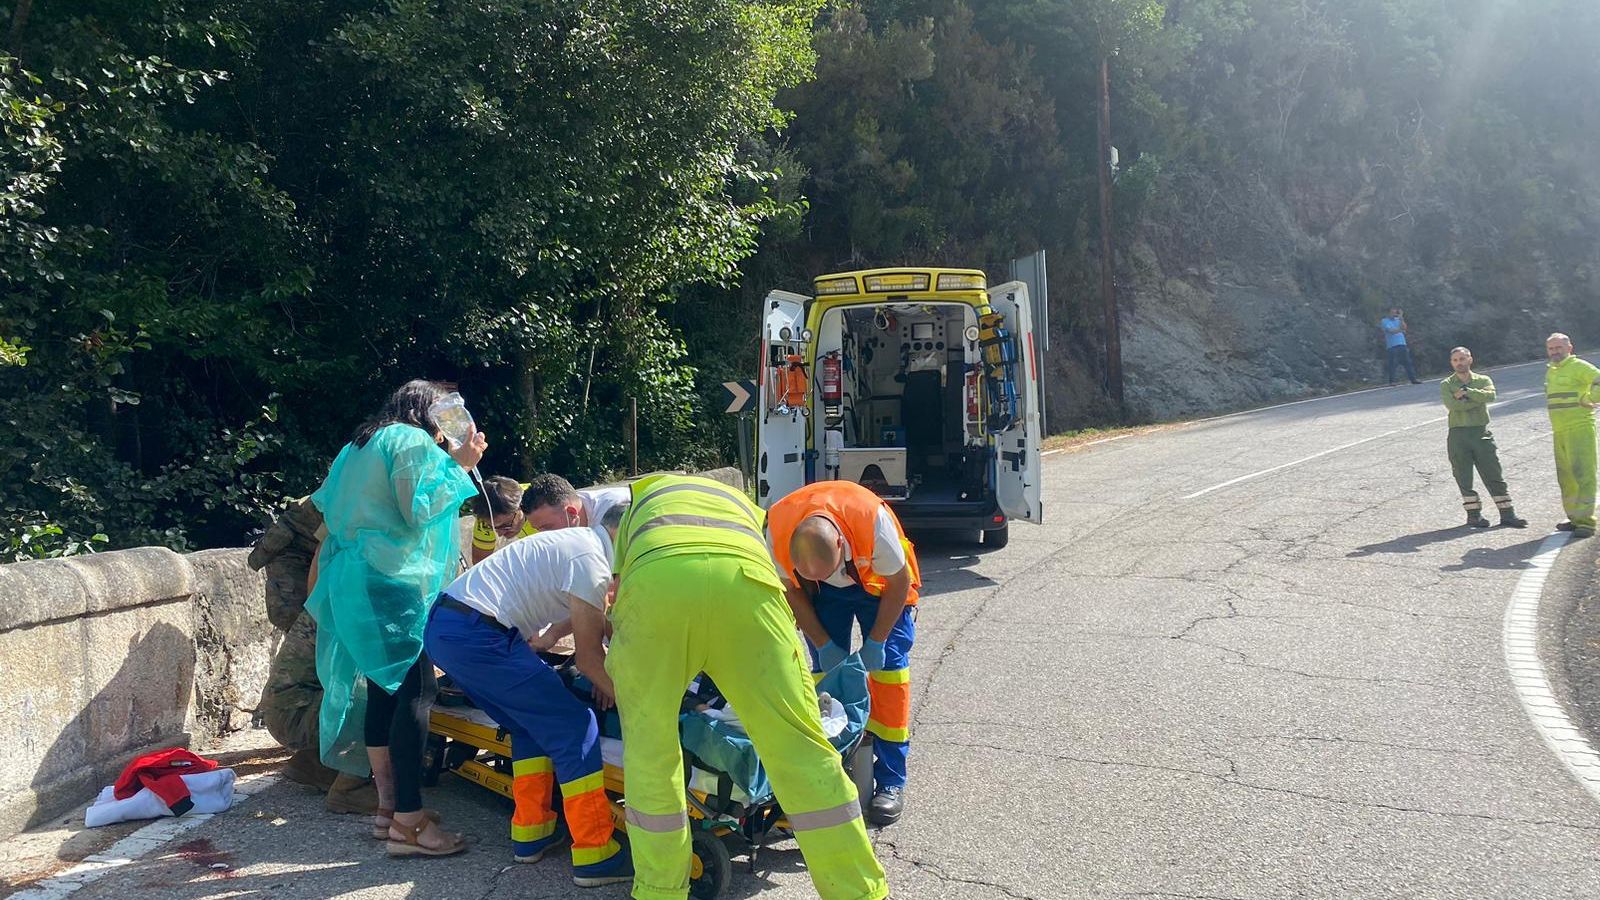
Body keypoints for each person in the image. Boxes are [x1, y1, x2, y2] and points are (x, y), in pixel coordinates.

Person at [606, 474, 888, 900]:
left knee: (651, 754)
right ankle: (858, 892)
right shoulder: (745, 507)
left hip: (658, 588)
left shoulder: (640, 504)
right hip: (747, 589)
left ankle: (660, 891)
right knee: (803, 751)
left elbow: (620, 593)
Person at [305, 379, 486, 857]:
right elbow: (416, 509)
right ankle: (410, 823)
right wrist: (461, 465)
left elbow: (331, 516)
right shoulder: (408, 440)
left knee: (384, 693)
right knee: (417, 692)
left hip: (357, 581)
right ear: (427, 411)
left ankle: (389, 812)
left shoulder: (356, 445)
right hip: (392, 580)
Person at [423, 521, 632, 886]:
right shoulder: (592, 562)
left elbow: (594, 616)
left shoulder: (581, 546)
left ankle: (532, 831)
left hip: (450, 629)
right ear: (622, 535)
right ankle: (595, 852)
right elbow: (588, 659)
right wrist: (633, 702)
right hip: (481, 635)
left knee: (528, 725)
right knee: (576, 725)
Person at [766, 481, 920, 826]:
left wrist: (877, 641)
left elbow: (898, 584)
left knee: (890, 677)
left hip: (880, 588)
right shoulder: (777, 530)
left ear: (839, 544)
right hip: (821, 594)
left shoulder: (872, 521)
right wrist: (822, 642)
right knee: (825, 680)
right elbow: (792, 593)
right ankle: (832, 777)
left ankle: (890, 783)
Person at [249, 498, 381, 815]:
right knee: (384, 692)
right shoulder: (363, 493)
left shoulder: (339, 593)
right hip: (291, 716)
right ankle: (350, 789)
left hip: (287, 709)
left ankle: (314, 763)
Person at [1440, 348, 1528, 529]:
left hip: (1480, 432)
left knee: (1493, 472)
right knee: (1463, 475)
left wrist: (1466, 393)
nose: (1459, 363)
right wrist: (1476, 398)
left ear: (1470, 359)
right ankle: (1473, 515)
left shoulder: (1483, 380)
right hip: (1458, 434)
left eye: (1462, 359)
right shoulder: (1446, 383)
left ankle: (1507, 514)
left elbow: (1491, 396)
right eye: (1455, 360)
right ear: (1451, 363)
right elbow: (1452, 405)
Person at [1545, 333, 1599, 538]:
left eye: (1558, 347)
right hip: (1559, 431)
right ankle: (1574, 517)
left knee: (1583, 475)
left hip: (1579, 428)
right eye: (1551, 348)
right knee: (1566, 478)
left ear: (1569, 348)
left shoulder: (1579, 366)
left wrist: (1590, 398)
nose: (1555, 352)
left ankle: (1586, 523)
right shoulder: (1551, 371)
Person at [520, 473, 631, 533]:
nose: (542, 536)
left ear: (572, 513)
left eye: (547, 527)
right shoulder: (572, 506)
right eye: (538, 529)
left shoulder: (616, 511)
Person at [469, 476, 536, 564]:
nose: (499, 534)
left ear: (520, 507)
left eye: (505, 526)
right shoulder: (487, 517)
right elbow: (480, 563)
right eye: (492, 528)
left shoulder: (543, 508)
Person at [1380, 307, 1422, 385]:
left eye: (1395, 312)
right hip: (1392, 346)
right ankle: (1392, 381)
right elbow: (1390, 331)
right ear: (1388, 313)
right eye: (1392, 312)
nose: (1394, 314)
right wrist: (1400, 330)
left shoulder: (1398, 320)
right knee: (1393, 364)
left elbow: (1405, 327)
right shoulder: (1384, 321)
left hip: (1402, 344)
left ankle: (1413, 379)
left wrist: (1401, 318)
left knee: (1408, 362)